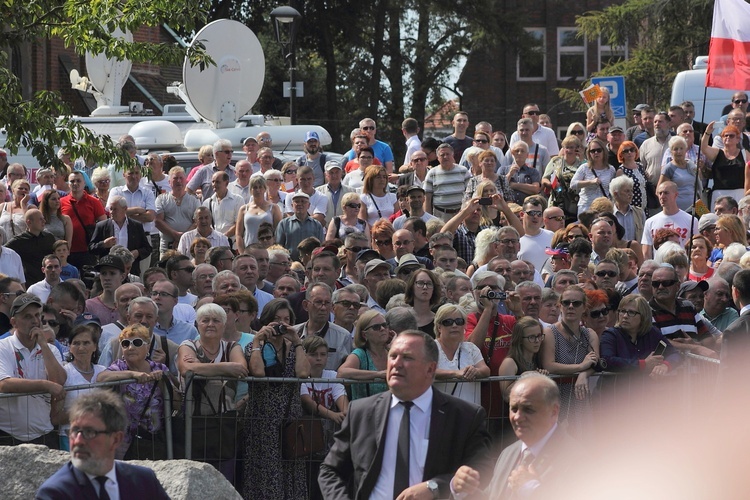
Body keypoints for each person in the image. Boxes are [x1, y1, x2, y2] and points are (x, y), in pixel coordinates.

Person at [319, 330, 493, 499]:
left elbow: (481, 469)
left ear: (430, 369)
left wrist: (436, 486)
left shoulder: (464, 416)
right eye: (393, 356)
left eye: (407, 357)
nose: (397, 363)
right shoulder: (361, 412)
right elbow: (331, 470)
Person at [451, 373, 578, 500]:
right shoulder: (508, 454)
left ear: (553, 412)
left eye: (528, 409)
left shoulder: (577, 460)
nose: (517, 417)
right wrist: (462, 490)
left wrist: (533, 491)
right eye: (514, 409)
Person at [36, 389, 170, 499]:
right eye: (74, 431)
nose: (78, 441)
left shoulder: (144, 481)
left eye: (90, 432)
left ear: (116, 439)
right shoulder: (56, 493)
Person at [244, 298, 310, 499]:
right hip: (262, 421)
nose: (282, 324)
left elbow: (303, 373)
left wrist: (297, 341)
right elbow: (258, 372)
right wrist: (258, 340)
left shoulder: (295, 347)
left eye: (286, 319)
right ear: (265, 321)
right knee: (264, 472)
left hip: (290, 419)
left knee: (291, 470)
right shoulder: (254, 346)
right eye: (276, 319)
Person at [177, 303, 247, 480]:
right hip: (192, 421)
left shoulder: (233, 347)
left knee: (224, 477)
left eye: (216, 320)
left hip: (224, 422)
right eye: (205, 320)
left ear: (224, 325)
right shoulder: (188, 345)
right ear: (197, 324)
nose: (210, 324)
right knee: (193, 476)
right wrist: (226, 367)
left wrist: (199, 367)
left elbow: (240, 368)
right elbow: (186, 369)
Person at [97, 324, 173, 460]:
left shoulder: (160, 368)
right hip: (124, 441)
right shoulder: (119, 367)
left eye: (137, 343)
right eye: (126, 343)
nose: (130, 348)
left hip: (154, 439)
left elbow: (177, 401)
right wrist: (132, 374)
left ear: (148, 346)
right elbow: (102, 378)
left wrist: (162, 381)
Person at [0, 293, 66, 447]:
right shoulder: (3, 347)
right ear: (14, 322)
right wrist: (45, 385)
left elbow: (59, 382)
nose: (35, 321)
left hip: (44, 433)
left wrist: (43, 345)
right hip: (8, 435)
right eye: (27, 317)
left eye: (37, 315)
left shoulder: (51, 349)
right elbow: (5, 384)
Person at [540, 285, 599, 436]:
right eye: (566, 303)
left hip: (580, 397)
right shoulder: (550, 332)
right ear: (560, 306)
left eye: (576, 303)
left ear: (584, 307)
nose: (571, 306)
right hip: (557, 398)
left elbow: (594, 363)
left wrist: (583, 374)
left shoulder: (589, 334)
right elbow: (549, 365)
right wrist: (580, 367)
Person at [300, 335, 350, 500]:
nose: (319, 358)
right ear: (305, 355)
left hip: (328, 439)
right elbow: (307, 402)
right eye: (314, 354)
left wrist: (344, 412)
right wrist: (333, 414)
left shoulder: (331, 375)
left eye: (323, 354)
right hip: (305, 438)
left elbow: (340, 396)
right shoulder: (300, 376)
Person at [54, 324, 107, 451]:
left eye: (86, 343)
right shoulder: (64, 373)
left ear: (95, 346)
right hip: (70, 437)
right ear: (70, 347)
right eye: (76, 343)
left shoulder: (102, 371)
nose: (81, 347)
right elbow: (55, 417)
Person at [600, 295, 679, 377]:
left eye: (631, 312)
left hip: (644, 388)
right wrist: (642, 364)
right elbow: (606, 360)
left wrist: (665, 365)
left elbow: (674, 353)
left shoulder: (652, 332)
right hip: (615, 388)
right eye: (622, 311)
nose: (625, 316)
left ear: (643, 316)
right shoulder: (610, 334)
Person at [433, 304, 489, 406]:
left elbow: (485, 370)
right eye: (448, 322)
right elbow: (425, 371)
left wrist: (475, 371)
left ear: (464, 326)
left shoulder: (471, 348)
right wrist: (455, 374)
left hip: (469, 413)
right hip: (439, 412)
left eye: (459, 321)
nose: (454, 325)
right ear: (439, 327)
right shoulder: (429, 347)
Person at [337, 310, 390, 400]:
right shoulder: (360, 354)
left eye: (384, 325)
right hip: (365, 411)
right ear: (365, 335)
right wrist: (378, 374)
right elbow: (341, 373)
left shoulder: (392, 352)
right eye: (376, 327)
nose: (382, 329)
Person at [60, 171, 107, 271]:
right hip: (67, 251)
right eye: (72, 181)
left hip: (88, 251)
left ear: (84, 183)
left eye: (78, 181)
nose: (75, 183)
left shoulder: (94, 202)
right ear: (68, 184)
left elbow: (104, 223)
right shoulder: (61, 202)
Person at [89, 196, 152, 270]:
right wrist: (104, 244)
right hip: (109, 269)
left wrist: (137, 252)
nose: (112, 212)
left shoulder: (136, 226)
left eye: (115, 209)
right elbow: (91, 248)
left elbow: (147, 248)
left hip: (130, 269)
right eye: (111, 209)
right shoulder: (102, 226)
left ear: (125, 209)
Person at [641, 181, 699, 259]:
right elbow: (646, 251)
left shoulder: (691, 220)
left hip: (681, 265)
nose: (662, 196)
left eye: (666, 193)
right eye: (660, 193)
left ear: (676, 195)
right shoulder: (650, 222)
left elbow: (696, 246)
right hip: (659, 266)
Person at [154, 166, 202, 257]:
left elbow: (197, 221)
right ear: (169, 182)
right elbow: (158, 221)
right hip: (167, 246)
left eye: (181, 178)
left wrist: (183, 237)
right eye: (175, 178)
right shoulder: (161, 199)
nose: (178, 181)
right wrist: (175, 234)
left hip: (189, 244)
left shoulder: (194, 200)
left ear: (185, 181)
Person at [498, 316, 548, 401]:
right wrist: (524, 378)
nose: (537, 341)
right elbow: (506, 396)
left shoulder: (538, 359)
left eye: (539, 336)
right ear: (520, 339)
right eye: (531, 337)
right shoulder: (510, 363)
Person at [701, 122, 749, 205]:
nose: (728, 137)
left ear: (738, 139)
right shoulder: (717, 153)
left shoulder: (745, 153)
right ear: (722, 139)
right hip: (719, 194)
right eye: (725, 135)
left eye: (731, 136)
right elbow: (704, 148)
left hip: (739, 193)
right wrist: (707, 132)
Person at [5, 208, 56, 285]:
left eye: (43, 219)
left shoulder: (49, 238)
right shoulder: (18, 241)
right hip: (29, 282)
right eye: (40, 219)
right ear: (29, 222)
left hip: (49, 281)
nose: (44, 221)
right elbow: (4, 252)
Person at [570, 138, 621, 215]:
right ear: (589, 153)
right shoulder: (584, 167)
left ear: (604, 151)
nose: (596, 153)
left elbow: (613, 190)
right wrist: (590, 182)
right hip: (586, 207)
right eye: (593, 151)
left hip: (604, 208)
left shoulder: (610, 169)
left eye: (599, 150)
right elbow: (573, 184)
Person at [236, 175, 282, 252]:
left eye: (260, 187)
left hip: (268, 250)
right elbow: (238, 234)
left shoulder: (273, 208)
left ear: (265, 189)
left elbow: (278, 232)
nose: (258, 190)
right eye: (255, 187)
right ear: (251, 190)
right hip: (249, 250)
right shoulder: (244, 209)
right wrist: (242, 253)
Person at [543, 136, 584, 222]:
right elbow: (544, 179)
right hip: (557, 202)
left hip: (575, 205)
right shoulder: (556, 161)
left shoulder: (583, 163)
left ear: (577, 149)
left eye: (572, 147)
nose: (569, 150)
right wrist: (551, 184)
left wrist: (582, 159)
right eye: (567, 147)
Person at [275, 192, 325, 262]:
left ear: (308, 205)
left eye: (303, 201)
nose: (300, 204)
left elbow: (320, 248)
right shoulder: (284, 224)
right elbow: (279, 246)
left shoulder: (316, 225)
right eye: (297, 201)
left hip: (311, 264)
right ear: (292, 205)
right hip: (290, 264)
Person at [658, 136, 699, 211]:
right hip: (677, 210)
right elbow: (659, 191)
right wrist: (668, 208)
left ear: (686, 150)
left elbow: (699, 184)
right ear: (671, 152)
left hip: (696, 207)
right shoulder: (669, 168)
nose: (679, 152)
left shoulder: (692, 165)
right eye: (675, 149)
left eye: (681, 148)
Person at [498, 140, 541, 205]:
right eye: (517, 151)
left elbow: (535, 189)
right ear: (512, 153)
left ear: (527, 155)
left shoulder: (533, 171)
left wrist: (513, 185)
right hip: (507, 208)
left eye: (522, 151)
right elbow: (498, 187)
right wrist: (509, 174)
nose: (519, 153)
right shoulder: (503, 169)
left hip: (526, 207)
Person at [404, 269, 441, 337]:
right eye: (420, 283)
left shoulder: (438, 321)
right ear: (412, 286)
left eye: (429, 284)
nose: (425, 287)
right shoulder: (403, 318)